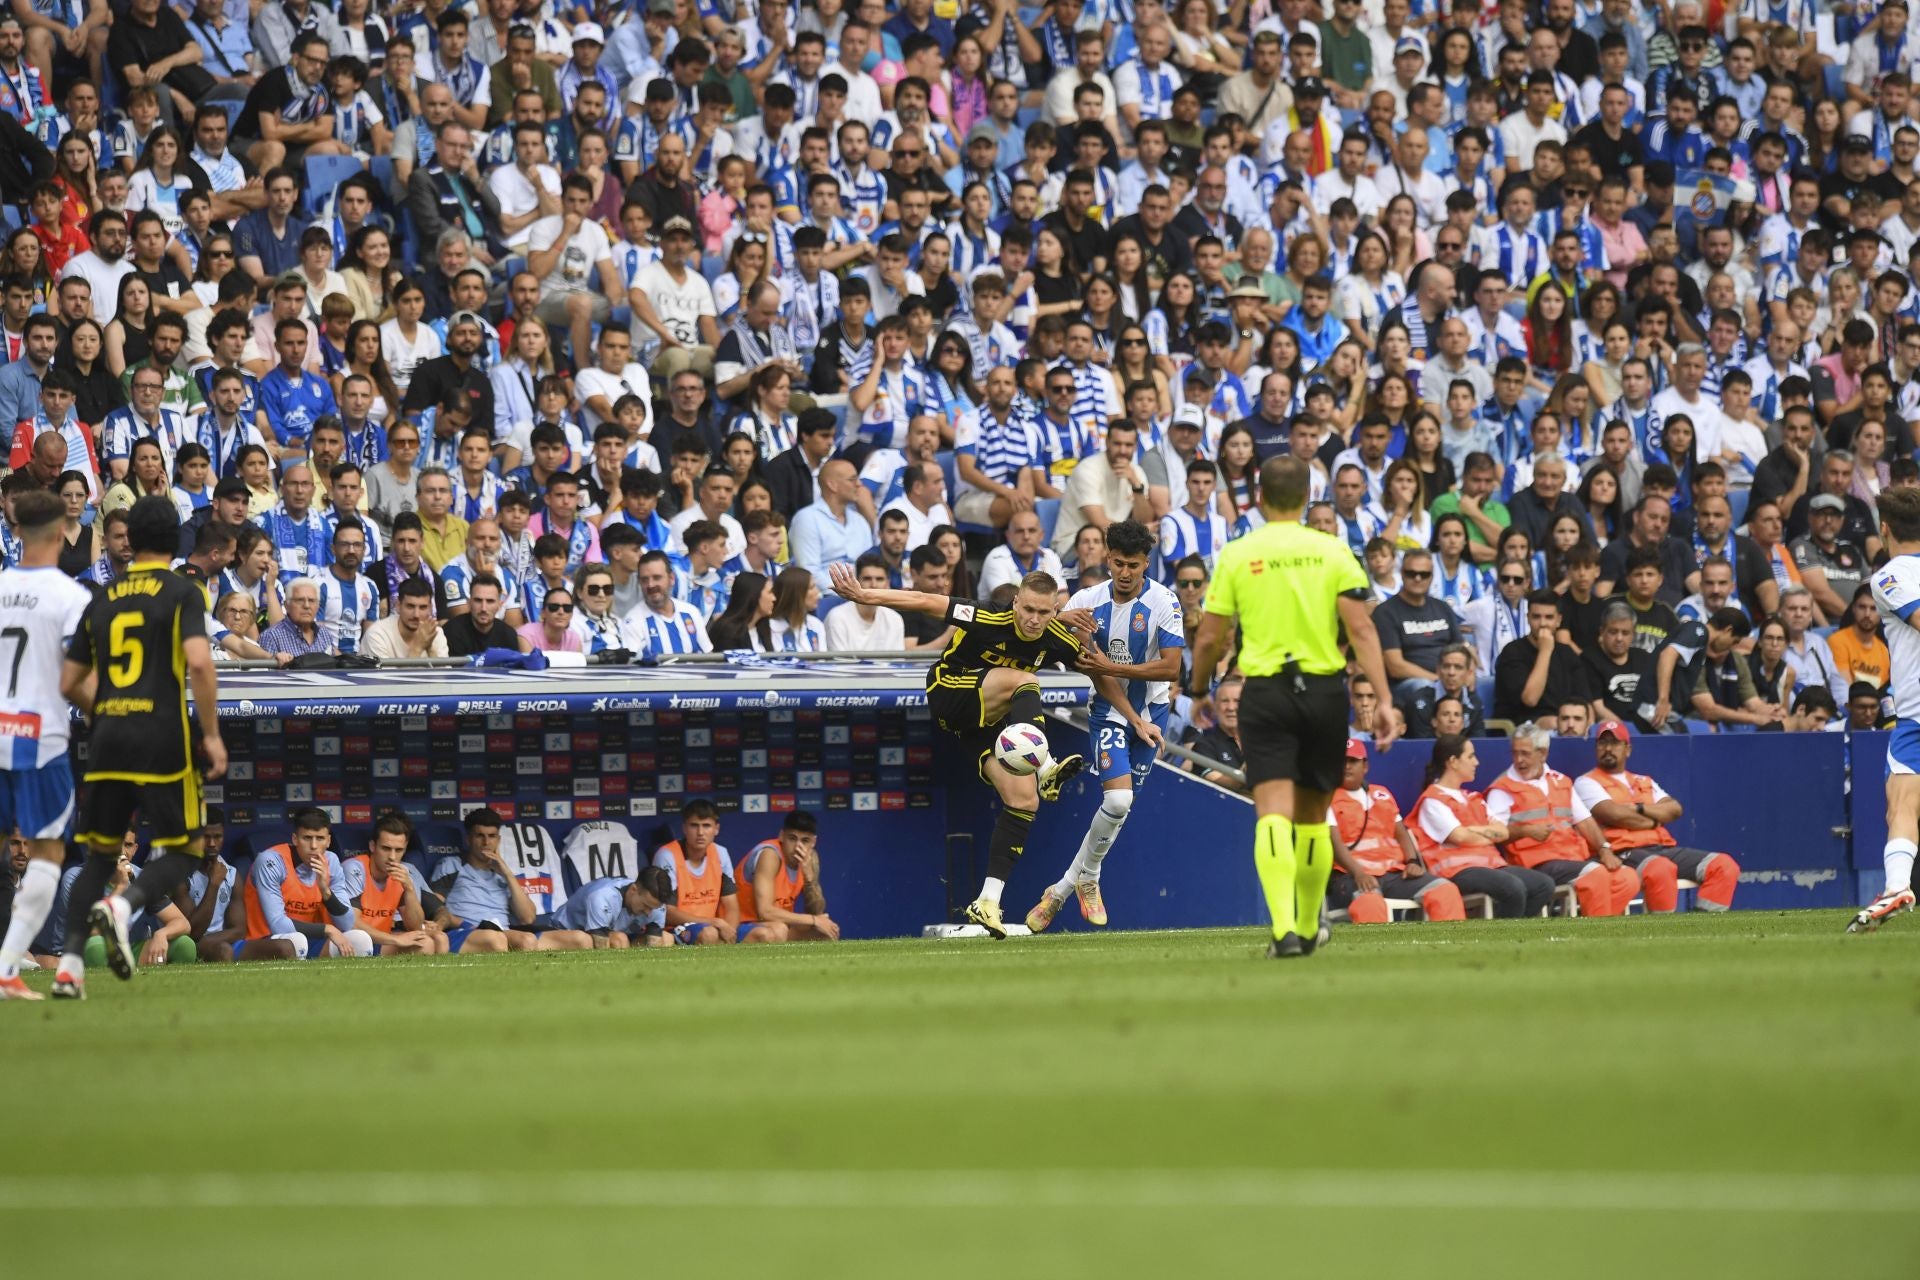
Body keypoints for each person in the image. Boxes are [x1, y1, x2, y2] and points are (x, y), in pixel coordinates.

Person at [1187, 456, 1398, 958]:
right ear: (1307, 498)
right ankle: (1307, 926)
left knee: (1272, 816)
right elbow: (1362, 628)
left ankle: (1284, 929)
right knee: (1312, 816)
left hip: (1266, 692)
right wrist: (1384, 698)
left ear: (1259, 497)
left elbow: (1211, 634)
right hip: (1324, 692)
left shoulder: (1239, 553)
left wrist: (1198, 691)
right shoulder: (1332, 550)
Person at [826, 558, 1088, 938]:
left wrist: (1138, 716)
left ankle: (987, 901)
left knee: (1024, 800)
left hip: (982, 721)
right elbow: (924, 600)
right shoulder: (987, 616)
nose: (1033, 618)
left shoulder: (1057, 638)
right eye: (1028, 609)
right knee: (1025, 680)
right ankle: (1046, 765)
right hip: (950, 691)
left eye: (1043, 612)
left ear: (1055, 611)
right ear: (1015, 602)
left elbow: (1101, 670)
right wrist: (864, 594)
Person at [54, 497, 226, 997]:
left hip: (108, 739)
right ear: (176, 540)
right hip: (162, 740)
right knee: (186, 850)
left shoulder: (102, 597)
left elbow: (68, 679)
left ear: (131, 538)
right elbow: (199, 661)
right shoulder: (183, 590)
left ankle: (67, 973)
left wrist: (104, 713)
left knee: (100, 859)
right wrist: (212, 735)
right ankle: (122, 907)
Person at [1025, 521, 1182, 934]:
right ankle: (1088, 879)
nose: (1125, 573)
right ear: (1107, 557)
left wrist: (1114, 672)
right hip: (1112, 710)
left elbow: (1170, 667)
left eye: (1133, 565)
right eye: (1118, 563)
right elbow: (1097, 674)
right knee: (1116, 803)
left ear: (1147, 563)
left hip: (1155, 709)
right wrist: (1133, 718)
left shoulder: (1165, 601)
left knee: (1121, 808)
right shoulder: (1086, 602)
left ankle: (1060, 890)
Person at [0, 492, 95, 1001]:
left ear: (16, 531)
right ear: (61, 533)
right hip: (39, 739)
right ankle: (7, 965)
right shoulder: (70, 597)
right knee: (46, 853)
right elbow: (74, 680)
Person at [1577, 720, 1741, 913]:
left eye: (1614, 743)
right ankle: (1665, 935)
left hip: (1661, 848)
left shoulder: (1643, 780)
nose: (1608, 748)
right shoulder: (1587, 781)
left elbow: (1674, 809)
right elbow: (1613, 814)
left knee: (1724, 866)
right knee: (1661, 869)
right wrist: (1654, 819)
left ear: (1627, 749)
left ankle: (1703, 927)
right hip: (1624, 851)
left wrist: (1638, 809)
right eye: (1602, 743)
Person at [1486, 724, 1642, 918]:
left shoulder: (1561, 781)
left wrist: (1604, 849)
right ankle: (1599, 933)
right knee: (1595, 874)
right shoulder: (1502, 788)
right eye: (1515, 753)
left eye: (1525, 754)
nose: (1519, 760)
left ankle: (1595, 928)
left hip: (1573, 858)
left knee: (1628, 877)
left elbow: (1585, 821)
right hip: (1536, 863)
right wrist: (1525, 831)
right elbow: (1494, 834)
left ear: (1543, 753)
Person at [1854, 485, 1920, 930]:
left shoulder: (1888, 576)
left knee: (1901, 804)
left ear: (1884, 528)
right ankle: (1896, 887)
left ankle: (1897, 887)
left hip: (1916, 716)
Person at [1410, 735, 1557, 919]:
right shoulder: (1433, 800)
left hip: (1491, 865)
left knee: (1544, 884)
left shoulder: (1473, 798)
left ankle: (1514, 934)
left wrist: (1470, 830)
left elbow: (1502, 832)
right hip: (1458, 871)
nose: (1477, 762)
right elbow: (1460, 837)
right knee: (1513, 887)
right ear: (1453, 762)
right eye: (1471, 756)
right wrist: (1480, 832)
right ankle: (1502, 941)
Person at [1326, 737, 1467, 925]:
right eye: (1341, 762)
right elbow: (1334, 843)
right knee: (1370, 903)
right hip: (1351, 875)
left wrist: (1412, 860)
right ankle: (1378, 953)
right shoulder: (1326, 799)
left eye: (1352, 761)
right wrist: (1358, 873)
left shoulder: (1382, 794)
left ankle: (1453, 951)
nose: (1346, 767)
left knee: (1444, 890)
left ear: (1365, 766)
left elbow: (1402, 833)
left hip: (1393, 873)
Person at [237, 808, 369, 961]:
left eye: (320, 838)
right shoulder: (271, 861)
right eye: (307, 838)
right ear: (295, 839)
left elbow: (346, 923)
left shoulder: (331, 861)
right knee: (295, 941)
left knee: (360, 940)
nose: (313, 846)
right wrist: (327, 929)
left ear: (328, 841)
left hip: (310, 940)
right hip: (267, 941)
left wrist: (326, 892)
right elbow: (278, 924)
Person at [341, 814, 446, 956]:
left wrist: (409, 889)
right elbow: (351, 923)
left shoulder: (400, 873)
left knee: (439, 939)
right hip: (352, 941)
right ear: (373, 846)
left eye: (398, 850)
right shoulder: (355, 869)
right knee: (425, 945)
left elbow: (414, 926)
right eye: (386, 848)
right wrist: (395, 939)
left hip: (382, 940)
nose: (392, 857)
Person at [733, 811, 840, 943]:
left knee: (826, 932)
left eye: (805, 840)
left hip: (778, 925)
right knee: (778, 930)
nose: (797, 847)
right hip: (742, 925)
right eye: (792, 838)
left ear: (813, 842)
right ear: (781, 836)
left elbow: (816, 911)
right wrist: (814, 920)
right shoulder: (770, 855)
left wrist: (809, 880)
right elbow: (765, 912)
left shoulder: (810, 859)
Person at [651, 799, 743, 946]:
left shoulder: (720, 853)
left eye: (706, 826)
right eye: (694, 826)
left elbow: (731, 904)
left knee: (772, 932)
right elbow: (667, 913)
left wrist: (729, 931)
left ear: (716, 829)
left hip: (713, 926)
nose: (700, 833)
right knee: (709, 934)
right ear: (684, 828)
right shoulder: (668, 855)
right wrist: (715, 922)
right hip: (675, 929)